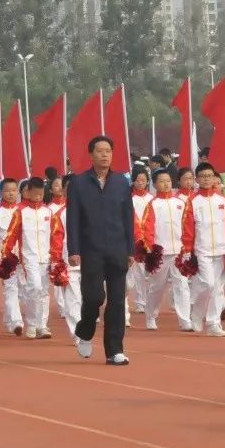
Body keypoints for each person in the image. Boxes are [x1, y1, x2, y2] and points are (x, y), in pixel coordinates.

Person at [66, 136, 134, 365]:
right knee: (94, 297)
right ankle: (84, 331)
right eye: (100, 151)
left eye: (108, 151)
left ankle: (114, 350)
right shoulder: (78, 183)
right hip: (91, 250)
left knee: (117, 302)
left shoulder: (122, 183)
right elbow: (73, 218)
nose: (105, 155)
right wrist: (74, 249)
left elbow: (128, 217)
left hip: (117, 249)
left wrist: (130, 249)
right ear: (91, 154)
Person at [179, 163, 225, 337]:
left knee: (218, 288)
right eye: (202, 176)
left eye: (209, 176)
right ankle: (197, 312)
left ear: (214, 178)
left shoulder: (222, 201)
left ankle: (213, 323)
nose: (206, 179)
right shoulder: (193, 202)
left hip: (221, 249)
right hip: (202, 249)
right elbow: (188, 227)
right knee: (208, 283)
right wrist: (188, 249)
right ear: (197, 179)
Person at [0, 178, 53, 340]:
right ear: (27, 193)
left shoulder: (48, 212)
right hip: (28, 258)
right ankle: (31, 323)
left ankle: (42, 325)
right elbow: (11, 235)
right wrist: (5, 254)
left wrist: (56, 256)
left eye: (41, 194)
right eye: (35, 194)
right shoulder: (20, 212)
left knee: (43, 291)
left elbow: (56, 236)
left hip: (46, 257)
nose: (38, 197)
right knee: (34, 288)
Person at [141, 170, 193, 332]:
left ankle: (185, 320)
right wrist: (150, 250)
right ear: (155, 184)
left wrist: (187, 247)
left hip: (178, 251)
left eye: (168, 181)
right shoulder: (153, 205)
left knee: (182, 285)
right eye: (162, 181)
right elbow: (147, 228)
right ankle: (150, 316)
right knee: (157, 287)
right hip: (160, 253)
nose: (166, 184)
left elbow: (187, 227)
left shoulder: (180, 203)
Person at [48, 175, 82, 339]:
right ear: (65, 191)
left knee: (92, 297)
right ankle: (78, 333)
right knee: (73, 298)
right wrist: (56, 261)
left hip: (92, 261)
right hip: (70, 262)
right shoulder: (60, 214)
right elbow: (56, 239)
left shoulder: (93, 210)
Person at [0, 178, 25, 336]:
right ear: (1, 193)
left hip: (24, 256)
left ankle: (8, 318)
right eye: (7, 191)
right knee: (11, 289)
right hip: (5, 257)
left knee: (23, 291)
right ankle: (17, 321)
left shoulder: (23, 211)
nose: (11, 194)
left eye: (13, 190)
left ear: (17, 192)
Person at [128, 170, 153, 323]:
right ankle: (139, 301)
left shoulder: (152, 199)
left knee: (148, 272)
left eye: (143, 180)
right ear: (133, 181)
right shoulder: (130, 199)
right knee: (136, 272)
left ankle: (146, 300)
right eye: (138, 180)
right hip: (135, 239)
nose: (141, 182)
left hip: (150, 239)